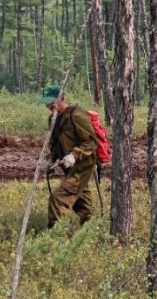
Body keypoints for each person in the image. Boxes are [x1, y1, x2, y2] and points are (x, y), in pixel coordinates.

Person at [40, 85, 97, 228]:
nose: (49, 106)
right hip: (68, 165)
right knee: (81, 201)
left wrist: (74, 155)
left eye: (52, 102)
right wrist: (51, 159)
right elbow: (54, 143)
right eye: (46, 103)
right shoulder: (52, 119)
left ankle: (53, 236)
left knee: (58, 198)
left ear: (61, 99)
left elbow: (91, 141)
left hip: (82, 165)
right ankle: (90, 229)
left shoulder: (76, 115)